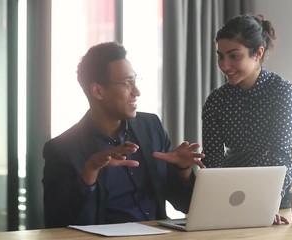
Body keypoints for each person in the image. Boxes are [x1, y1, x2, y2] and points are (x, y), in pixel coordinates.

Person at [42, 41, 205, 228]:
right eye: (127, 83)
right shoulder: (62, 149)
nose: (137, 92)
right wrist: (90, 171)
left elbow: (184, 204)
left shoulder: (151, 127)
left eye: (135, 81)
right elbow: (58, 223)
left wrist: (182, 170)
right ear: (97, 91)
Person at [201, 14, 292, 225]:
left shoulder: (282, 92)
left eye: (234, 56)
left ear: (258, 53)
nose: (224, 65)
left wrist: (268, 204)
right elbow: (213, 162)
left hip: (276, 197)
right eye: (220, 56)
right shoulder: (216, 101)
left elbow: (281, 153)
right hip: (232, 196)